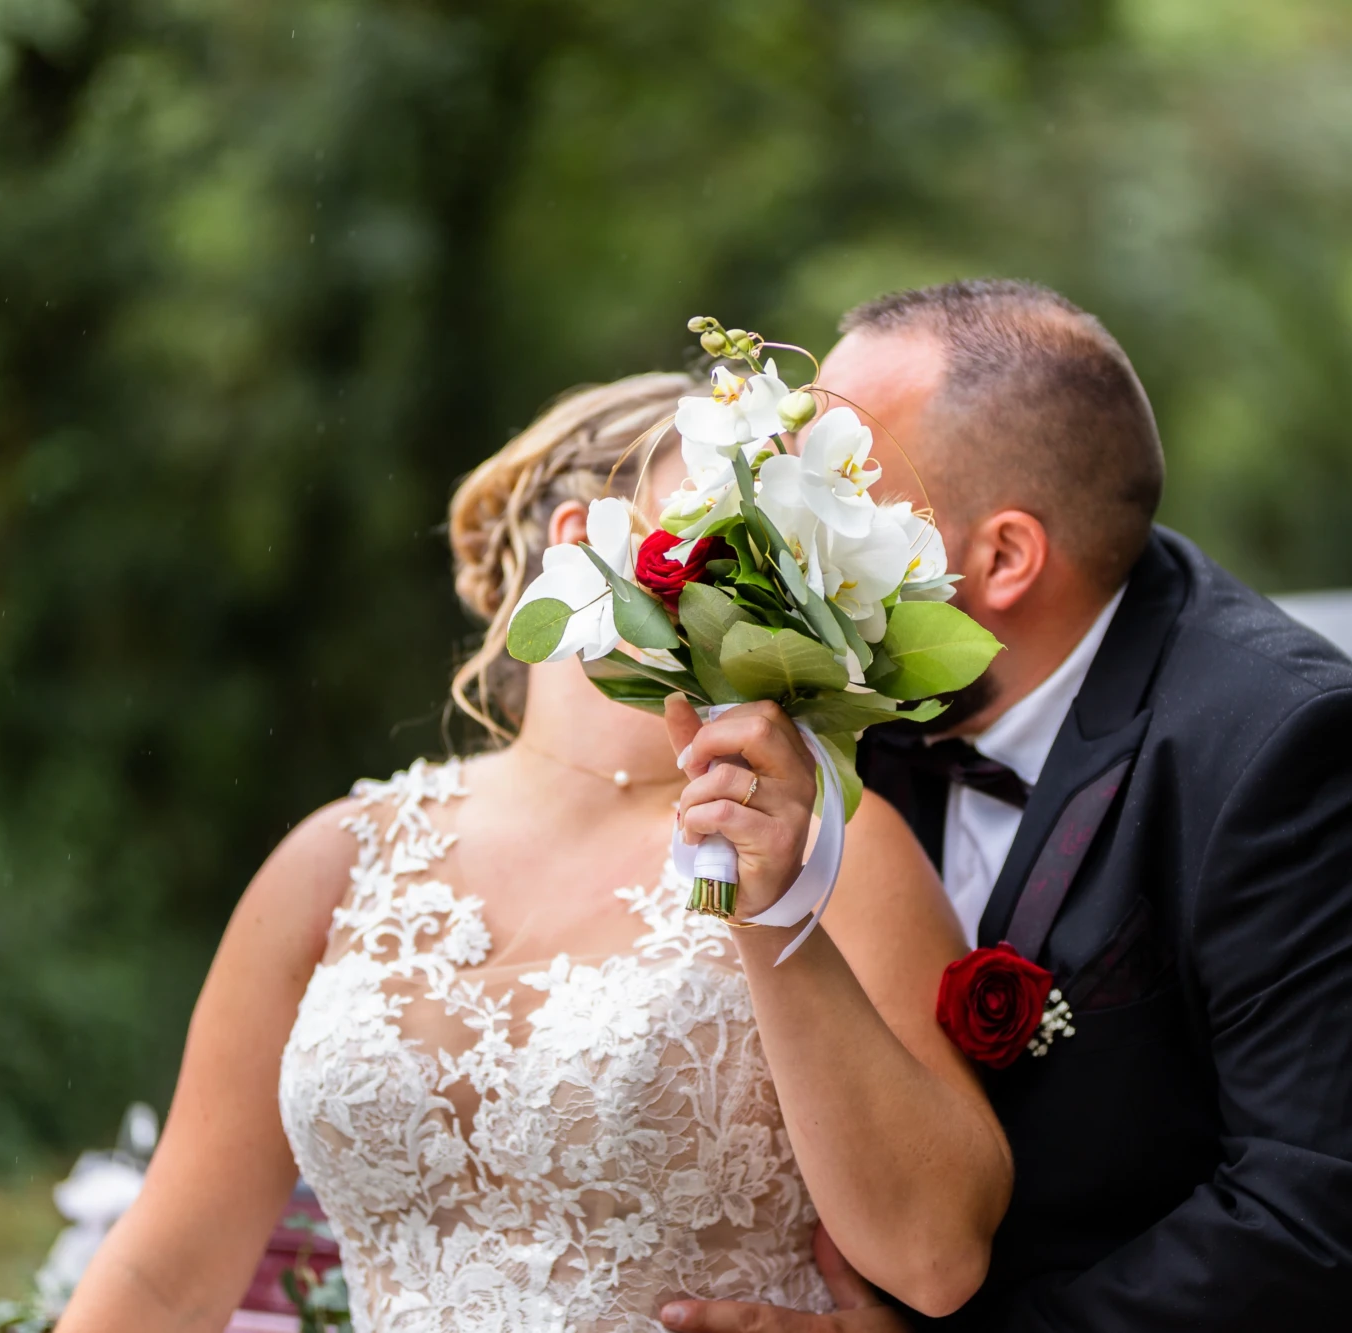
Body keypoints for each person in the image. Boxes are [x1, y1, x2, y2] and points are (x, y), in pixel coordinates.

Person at [659, 281, 1352, 1331]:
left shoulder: (1291, 753)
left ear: (1003, 556)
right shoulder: (841, 708)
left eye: (839, 499)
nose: (790, 540)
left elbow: (1326, 1223)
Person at [54, 373, 1012, 1333]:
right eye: (737, 538)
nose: (779, 586)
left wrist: (773, 908)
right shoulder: (338, 858)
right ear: (580, 547)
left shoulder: (834, 842)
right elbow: (166, 1275)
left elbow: (936, 1258)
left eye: (796, 555)